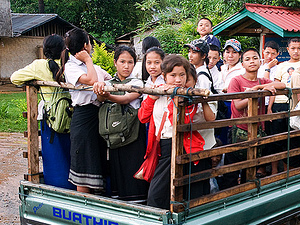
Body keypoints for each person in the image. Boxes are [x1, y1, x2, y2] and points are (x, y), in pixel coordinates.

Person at [137, 54, 209, 209]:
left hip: (184, 146)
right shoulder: (156, 92)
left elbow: (185, 118)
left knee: (190, 192)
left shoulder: (189, 95)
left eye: (182, 75)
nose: (178, 80)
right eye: (173, 75)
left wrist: (176, 94)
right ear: (164, 76)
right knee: (157, 194)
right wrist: (152, 96)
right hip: (163, 147)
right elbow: (142, 117)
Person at [10, 34, 74, 190]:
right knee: (72, 157)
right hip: (73, 119)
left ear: (45, 50)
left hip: (51, 121)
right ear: (64, 50)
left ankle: (55, 190)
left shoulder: (39, 66)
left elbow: (14, 78)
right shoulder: (72, 66)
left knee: (55, 160)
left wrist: (36, 83)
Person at [219, 48, 285, 189]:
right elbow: (237, 105)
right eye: (247, 59)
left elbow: (282, 85)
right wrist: (255, 93)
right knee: (232, 170)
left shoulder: (262, 80)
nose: (251, 61)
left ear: (260, 62)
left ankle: (245, 197)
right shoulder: (236, 81)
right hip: (238, 130)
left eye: (254, 58)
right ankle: (226, 200)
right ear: (242, 64)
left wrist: (260, 86)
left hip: (257, 130)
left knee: (250, 169)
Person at [56, 28, 111, 193]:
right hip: (83, 118)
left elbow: (109, 79)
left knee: (95, 163)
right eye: (89, 41)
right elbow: (92, 80)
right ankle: (83, 210)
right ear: (85, 45)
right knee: (83, 167)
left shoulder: (94, 66)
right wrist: (87, 60)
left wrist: (90, 63)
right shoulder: (71, 67)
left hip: (98, 117)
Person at [92, 46, 149, 201]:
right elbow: (100, 99)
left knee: (133, 169)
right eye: (122, 61)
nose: (126, 66)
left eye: (130, 62)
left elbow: (125, 99)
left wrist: (108, 94)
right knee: (117, 170)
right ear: (115, 62)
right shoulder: (108, 82)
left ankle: (138, 203)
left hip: (133, 135)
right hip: (113, 135)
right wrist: (100, 91)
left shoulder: (138, 83)